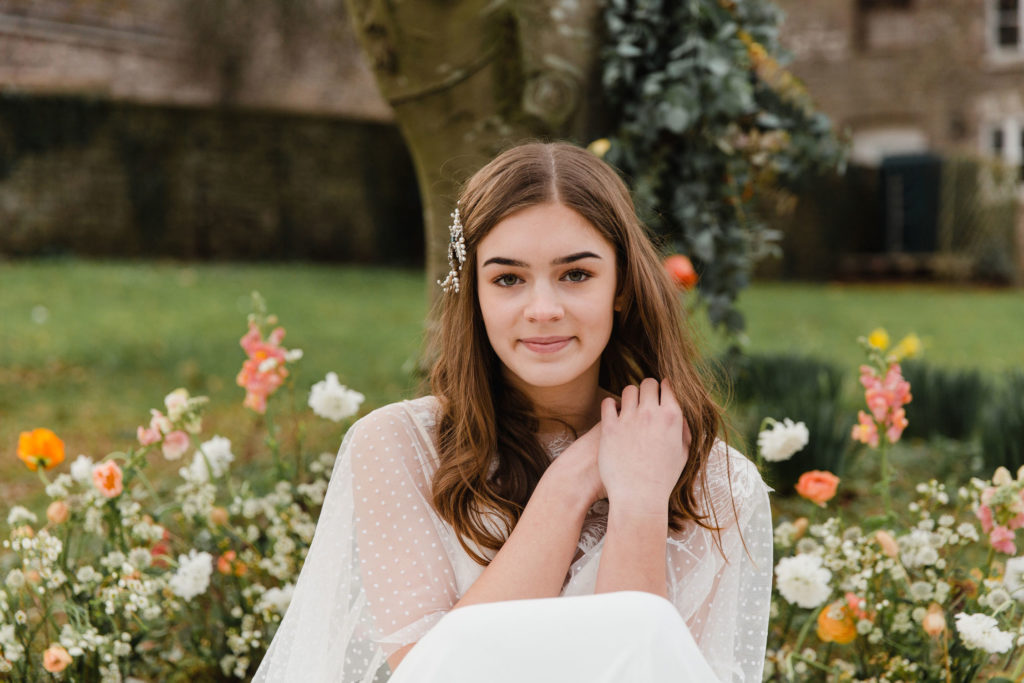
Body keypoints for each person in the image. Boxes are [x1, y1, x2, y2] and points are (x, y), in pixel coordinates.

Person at [253, 142, 773, 683]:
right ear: (473, 293)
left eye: (576, 275)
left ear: (621, 286)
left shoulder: (722, 482)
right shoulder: (396, 446)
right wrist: (574, 479)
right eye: (507, 279)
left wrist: (640, 502)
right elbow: (436, 674)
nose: (543, 310)